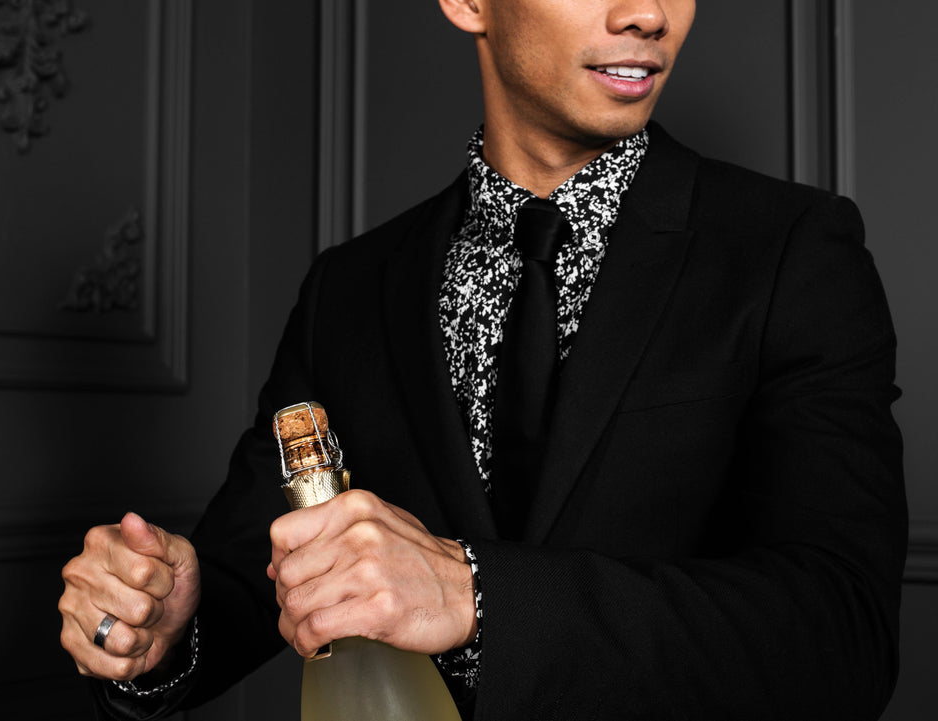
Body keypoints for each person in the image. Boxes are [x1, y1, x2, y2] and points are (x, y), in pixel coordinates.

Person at [59, 1, 907, 719]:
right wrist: (163, 627)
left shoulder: (795, 250)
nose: (649, 13)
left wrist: (475, 596)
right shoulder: (349, 289)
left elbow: (844, 635)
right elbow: (252, 574)